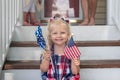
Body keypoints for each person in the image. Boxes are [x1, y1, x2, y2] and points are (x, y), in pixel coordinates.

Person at [40, 15, 80, 80]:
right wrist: (46, 59)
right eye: (55, 33)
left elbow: (75, 72)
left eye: (62, 33)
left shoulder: (72, 50)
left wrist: (74, 62)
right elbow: (43, 70)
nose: (59, 36)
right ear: (50, 36)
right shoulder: (48, 51)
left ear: (68, 34)